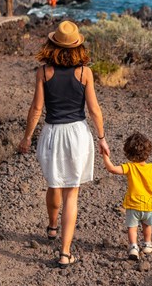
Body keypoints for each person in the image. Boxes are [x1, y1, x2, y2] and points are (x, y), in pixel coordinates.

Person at [18, 20, 110, 268]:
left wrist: (27, 137)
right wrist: (102, 139)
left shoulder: (43, 72)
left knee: (54, 183)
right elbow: (94, 110)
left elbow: (36, 109)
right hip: (78, 135)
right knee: (72, 193)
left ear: (53, 45)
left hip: (52, 134)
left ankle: (51, 226)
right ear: (77, 46)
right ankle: (65, 252)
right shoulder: (85, 73)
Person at [103, 132, 152, 260]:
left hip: (133, 205)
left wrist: (105, 156)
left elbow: (112, 169)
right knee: (147, 226)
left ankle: (133, 247)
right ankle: (147, 244)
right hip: (150, 205)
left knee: (132, 228)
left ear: (128, 153)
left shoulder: (129, 167)